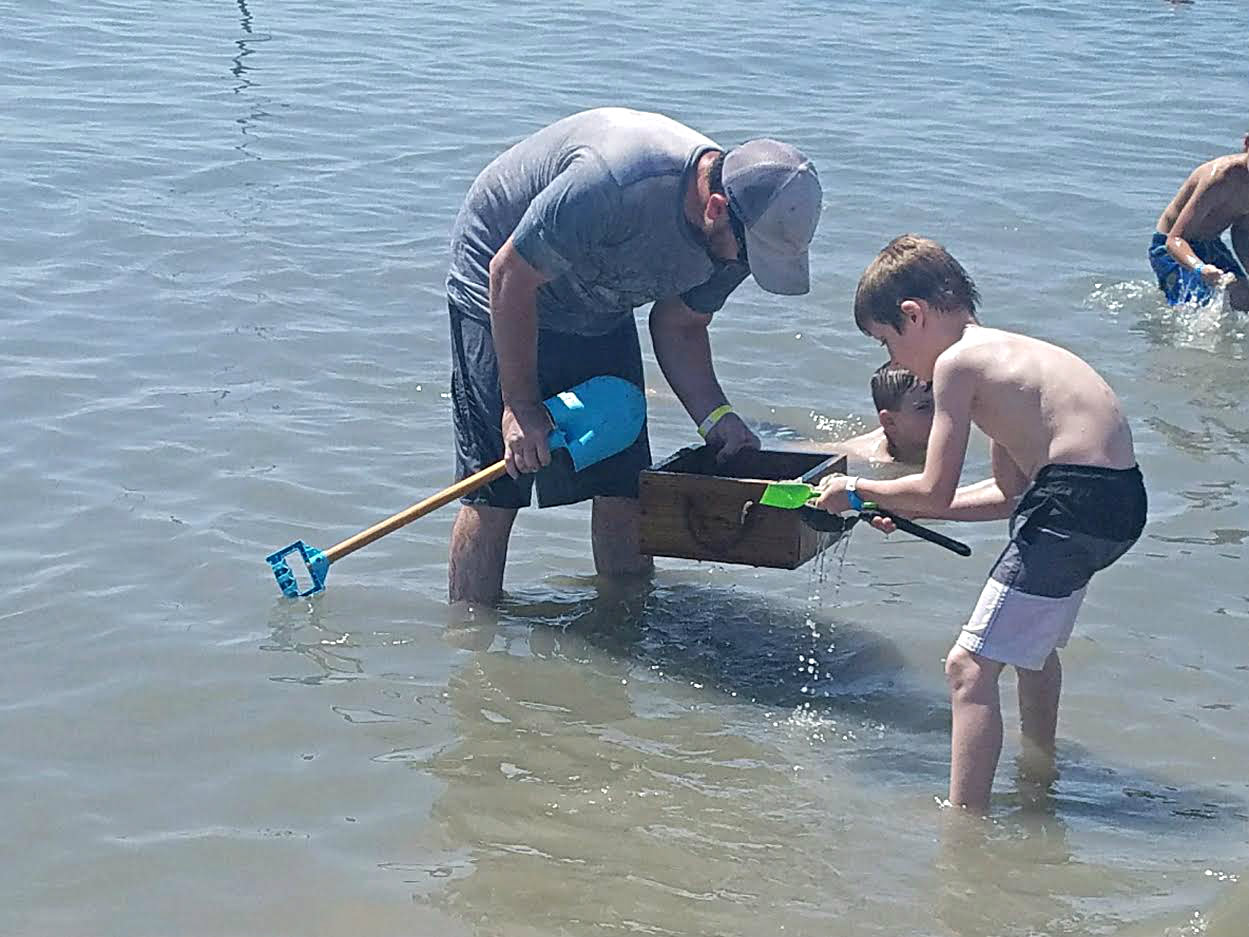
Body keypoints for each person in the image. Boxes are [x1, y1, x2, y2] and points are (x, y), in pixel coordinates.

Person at [813, 235, 1147, 814]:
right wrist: (890, 504)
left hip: (1071, 502)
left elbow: (934, 489)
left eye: (888, 342)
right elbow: (1007, 495)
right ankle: (1039, 783)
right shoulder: (1005, 357)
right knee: (1031, 650)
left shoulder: (956, 364)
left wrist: (857, 490)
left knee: (967, 667)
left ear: (913, 316)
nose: (893, 363)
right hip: (1116, 501)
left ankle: (964, 833)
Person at [445, 108, 822, 605]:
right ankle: (474, 642)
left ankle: (623, 625)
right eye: (749, 256)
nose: (743, 268)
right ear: (713, 208)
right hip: (502, 284)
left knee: (625, 487)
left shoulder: (744, 234)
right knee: (499, 491)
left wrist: (717, 419)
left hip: (602, 299)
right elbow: (509, 274)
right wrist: (519, 406)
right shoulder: (612, 183)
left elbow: (680, 323)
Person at [1149, 133, 1249, 310]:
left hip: (1211, 244)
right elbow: (1174, 241)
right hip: (1169, 249)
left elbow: (1241, 231)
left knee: (1243, 298)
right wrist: (1200, 269)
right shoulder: (1220, 178)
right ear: (1247, 143)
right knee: (1201, 306)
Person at [833, 362, 932, 466]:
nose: (942, 410)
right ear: (890, 423)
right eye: (924, 407)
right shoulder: (868, 461)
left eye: (941, 399)